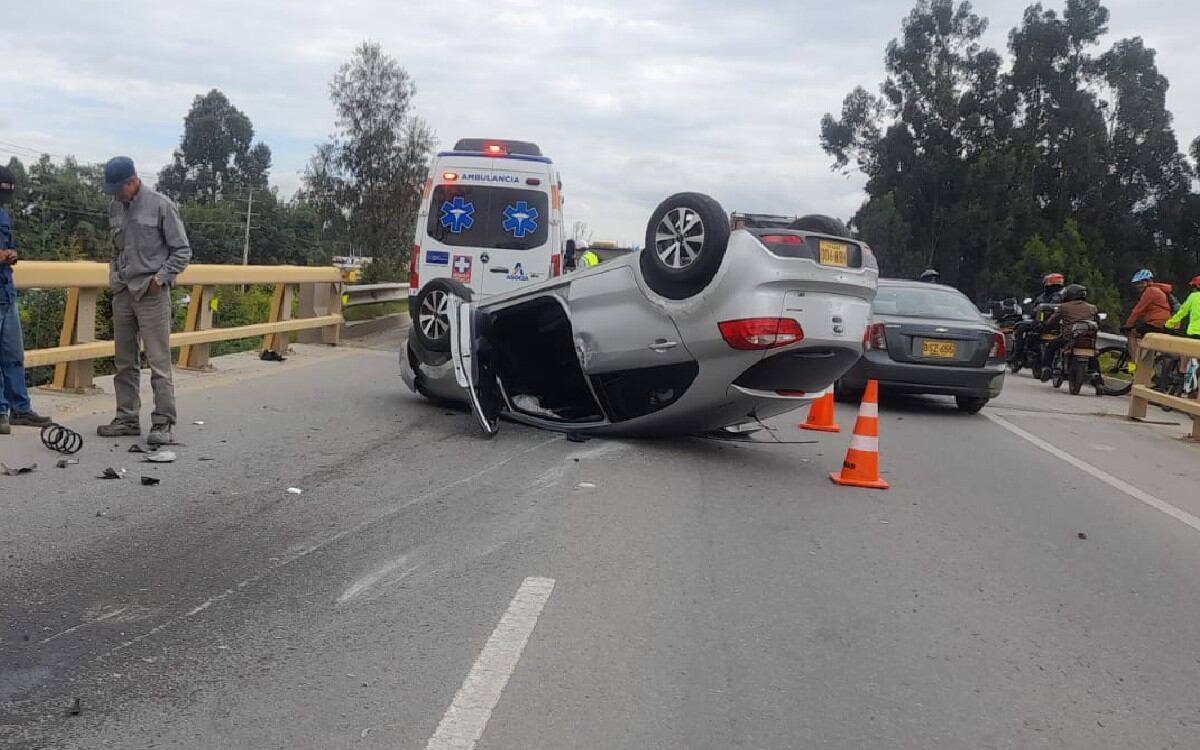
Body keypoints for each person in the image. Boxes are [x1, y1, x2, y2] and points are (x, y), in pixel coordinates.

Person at [97, 156, 191, 446]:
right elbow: (117, 249)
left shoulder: (161, 205)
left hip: (151, 292)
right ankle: (126, 417)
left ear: (133, 181)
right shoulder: (115, 207)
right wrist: (115, 278)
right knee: (124, 360)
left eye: (118, 188)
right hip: (125, 290)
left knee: (158, 361)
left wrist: (159, 279)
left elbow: (182, 252)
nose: (115, 194)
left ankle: (163, 421)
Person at [0, 167, 53, 436]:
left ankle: (20, 408)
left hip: (6, 294)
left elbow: (9, 250)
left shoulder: (3, 215)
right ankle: (0, 412)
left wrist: (11, 254)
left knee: (13, 356)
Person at [1039, 283, 1099, 380]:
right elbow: (1097, 322)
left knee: (1052, 345)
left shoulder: (1064, 306)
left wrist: (1045, 326)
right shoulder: (1092, 307)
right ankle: (1098, 382)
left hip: (1069, 337)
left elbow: (1051, 321)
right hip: (1088, 338)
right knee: (1092, 356)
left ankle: (1047, 368)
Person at [1009, 272, 1066, 365]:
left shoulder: (1054, 296)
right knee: (1021, 327)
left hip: (1043, 323)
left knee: (1020, 327)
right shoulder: (1061, 296)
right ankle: (1020, 353)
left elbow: (1034, 310)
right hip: (1053, 324)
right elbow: (1033, 308)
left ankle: (1017, 355)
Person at [1123, 269, 1173, 358]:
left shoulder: (1150, 291)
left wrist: (1128, 325)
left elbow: (1138, 310)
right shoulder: (1157, 289)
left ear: (1148, 281)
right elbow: (1145, 311)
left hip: (1156, 322)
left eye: (1141, 283)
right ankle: (1146, 359)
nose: (1138, 285)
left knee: (1131, 334)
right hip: (1162, 321)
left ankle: (1136, 362)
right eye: (1137, 283)